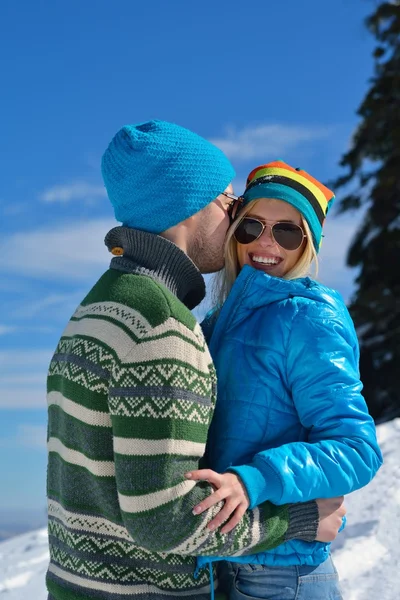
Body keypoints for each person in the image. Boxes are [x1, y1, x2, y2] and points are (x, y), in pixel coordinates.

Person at [45, 126, 346, 600]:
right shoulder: (161, 327)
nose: (234, 216)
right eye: (229, 202)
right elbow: (165, 521)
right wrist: (302, 519)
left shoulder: (96, 309)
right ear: (191, 204)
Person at [187, 160, 383, 599]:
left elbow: (356, 449)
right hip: (226, 566)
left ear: (307, 243)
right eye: (251, 226)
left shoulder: (309, 317)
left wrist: (254, 479)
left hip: (282, 576)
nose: (265, 243)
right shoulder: (217, 324)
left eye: (287, 231)